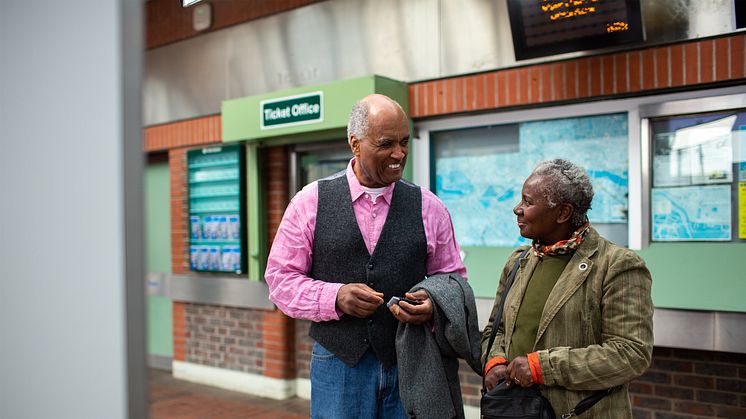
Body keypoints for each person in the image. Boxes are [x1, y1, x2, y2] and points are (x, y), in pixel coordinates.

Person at [264, 93, 467, 419]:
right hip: (338, 365)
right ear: (355, 144)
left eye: (404, 142)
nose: (399, 154)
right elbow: (279, 280)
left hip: (410, 363)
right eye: (386, 143)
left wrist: (434, 305)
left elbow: (454, 279)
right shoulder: (309, 202)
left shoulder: (430, 207)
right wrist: (335, 296)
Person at [481, 159, 654, 418]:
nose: (517, 209)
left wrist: (543, 367)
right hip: (514, 410)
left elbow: (631, 354)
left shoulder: (617, 265)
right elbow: (496, 330)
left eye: (528, 202)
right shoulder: (518, 261)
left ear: (562, 213)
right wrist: (494, 362)